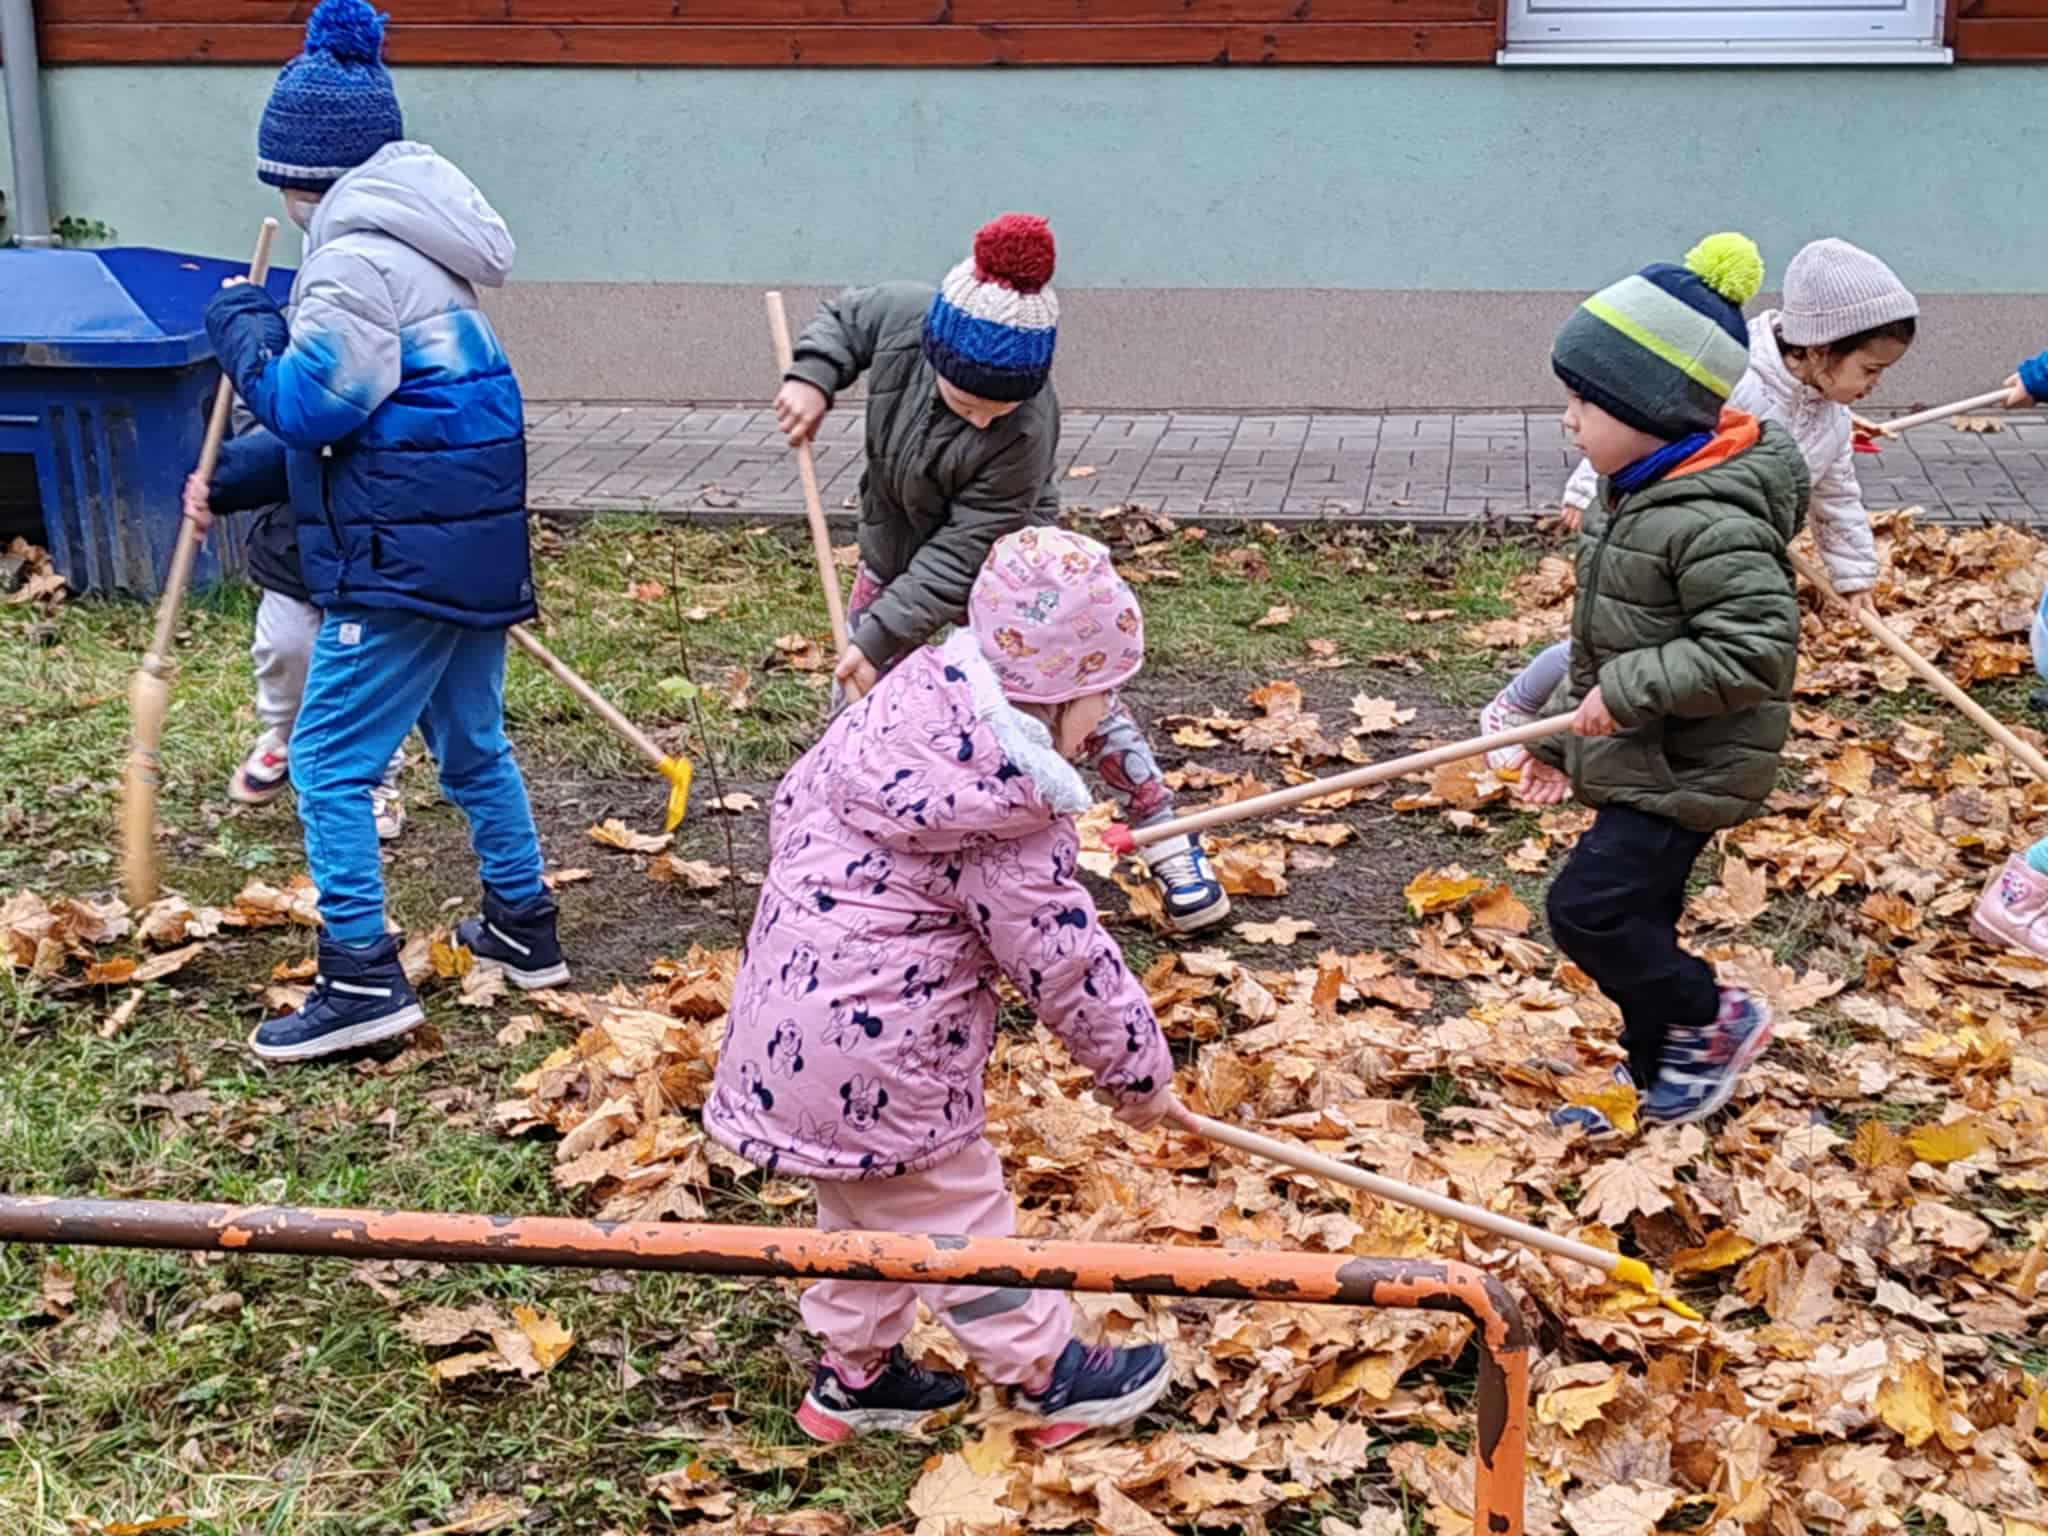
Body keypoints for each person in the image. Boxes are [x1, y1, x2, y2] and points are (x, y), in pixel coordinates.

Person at [704, 527, 1186, 1449]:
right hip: (886, 1055)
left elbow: (790, 806)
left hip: (783, 1023)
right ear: (1055, 696)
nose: (1107, 719)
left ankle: (857, 1375)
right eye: (1103, 699)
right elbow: (1066, 963)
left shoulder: (903, 714)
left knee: (857, 1206)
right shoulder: (1001, 810)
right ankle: (1045, 1375)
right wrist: (1138, 1076)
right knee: (956, 1214)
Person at [191, 0, 564, 1062]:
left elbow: (315, 407)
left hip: (399, 556)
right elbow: (380, 419)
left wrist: (245, 330)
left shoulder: (352, 258)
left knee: (326, 762)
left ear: (300, 177)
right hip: (464, 539)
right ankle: (522, 925)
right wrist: (229, 480)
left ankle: (360, 977)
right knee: (471, 743)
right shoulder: (423, 245)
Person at [772, 215, 1229, 933]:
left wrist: (884, 630)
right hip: (894, 552)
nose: (985, 421)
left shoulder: (1026, 427)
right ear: (933, 356)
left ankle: (1163, 832)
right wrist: (812, 378)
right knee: (859, 693)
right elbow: (844, 322)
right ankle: (841, 842)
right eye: (967, 404)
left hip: (1014, 579)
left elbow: (964, 552)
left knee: (1071, 699)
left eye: (1001, 409)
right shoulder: (903, 318)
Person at [1522, 236, 1812, 1136]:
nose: (1569, 421)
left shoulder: (1710, 516)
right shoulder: (1637, 494)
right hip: (1649, 751)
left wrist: (1633, 690)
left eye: (1585, 403)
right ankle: (1664, 1073)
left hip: (1691, 763)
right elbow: (1605, 647)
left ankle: (1712, 1016)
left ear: (1651, 410)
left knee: (1588, 911)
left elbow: (1753, 649)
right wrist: (1555, 740)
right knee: (1637, 915)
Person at [1485, 238, 1917, 777]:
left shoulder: (1832, 419)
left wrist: (1853, 575)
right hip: (1664, 537)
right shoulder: (1737, 384)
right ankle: (1516, 707)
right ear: (1820, 350)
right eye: (1870, 369)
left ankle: (1645, 759)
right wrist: (1585, 487)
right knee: (1615, 648)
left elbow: (1838, 494)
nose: (1875, 385)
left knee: (1678, 659)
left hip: (1727, 559)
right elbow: (1639, 420)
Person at [195, 407, 410, 840]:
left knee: (365, 667)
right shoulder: (275, 363)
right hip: (293, 537)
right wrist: (225, 479)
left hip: (377, 537)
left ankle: (373, 774)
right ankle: (287, 735)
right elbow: (265, 420)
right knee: (285, 646)